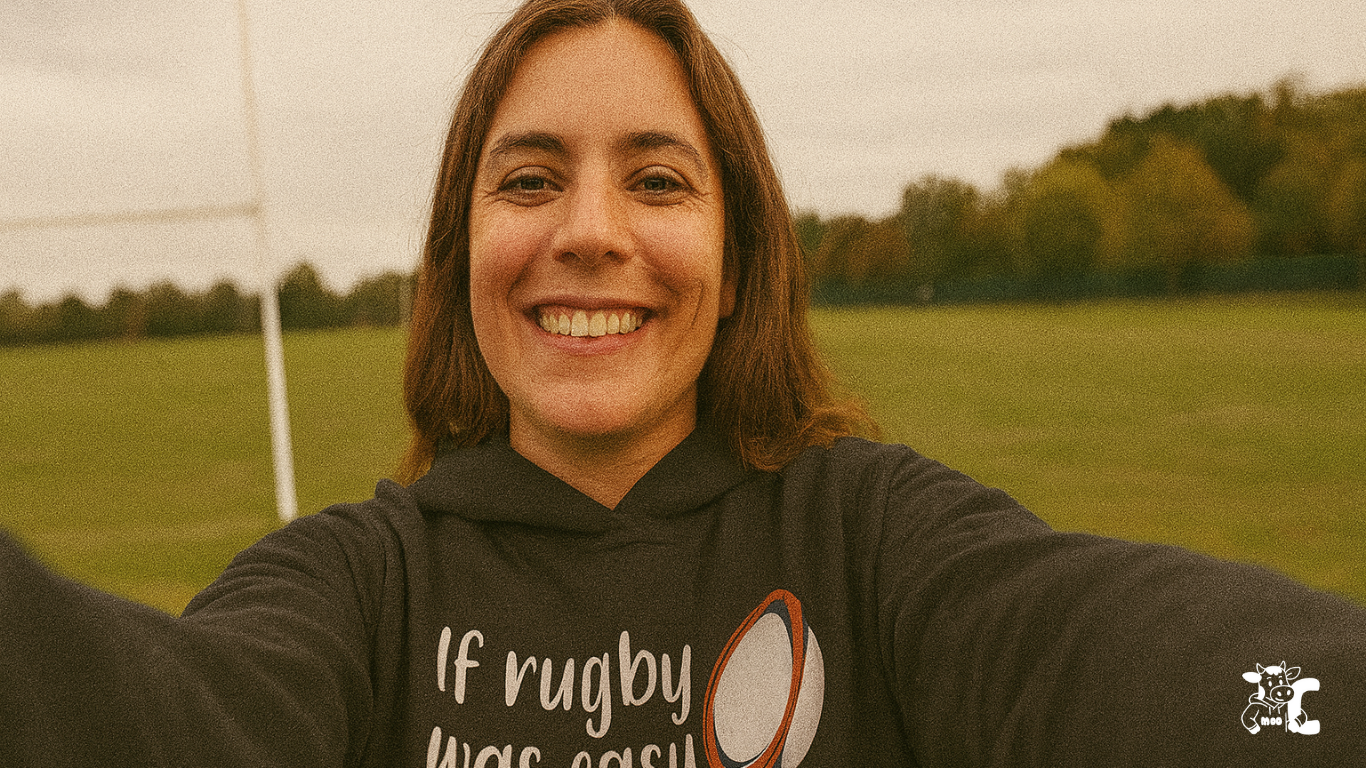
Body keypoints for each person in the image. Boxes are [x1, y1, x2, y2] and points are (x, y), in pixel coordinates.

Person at [2, 0, 1363, 765]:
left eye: (657, 179)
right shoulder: (364, 587)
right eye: (529, 178)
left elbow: (1172, 675)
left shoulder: (867, 539)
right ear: (459, 254)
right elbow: (149, 719)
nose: (589, 229)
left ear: (738, 252)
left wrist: (1315, 695)